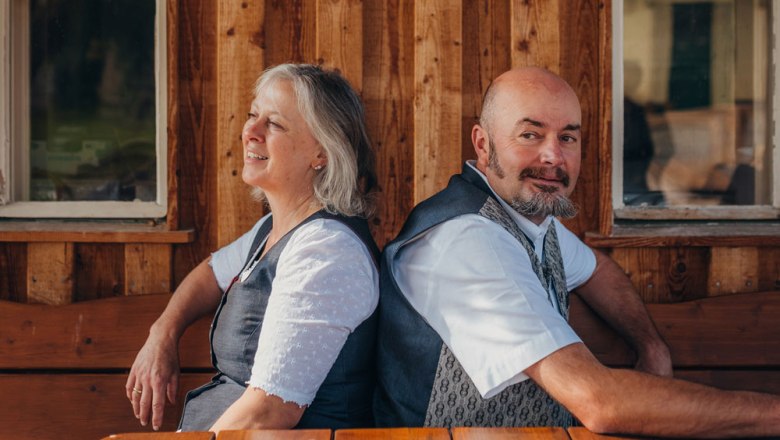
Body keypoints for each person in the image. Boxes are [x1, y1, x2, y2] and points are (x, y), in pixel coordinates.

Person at [374, 67, 780, 437]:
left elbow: (595, 268)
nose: (553, 156)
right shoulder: (465, 240)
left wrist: (651, 345)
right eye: (530, 134)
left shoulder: (528, 219)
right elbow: (599, 402)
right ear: (483, 144)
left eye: (567, 137)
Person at [126, 64, 380, 432]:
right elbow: (211, 273)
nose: (250, 132)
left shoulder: (327, 251)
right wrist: (162, 334)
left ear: (321, 152)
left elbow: (268, 412)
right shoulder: (273, 228)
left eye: (274, 124)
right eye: (252, 116)